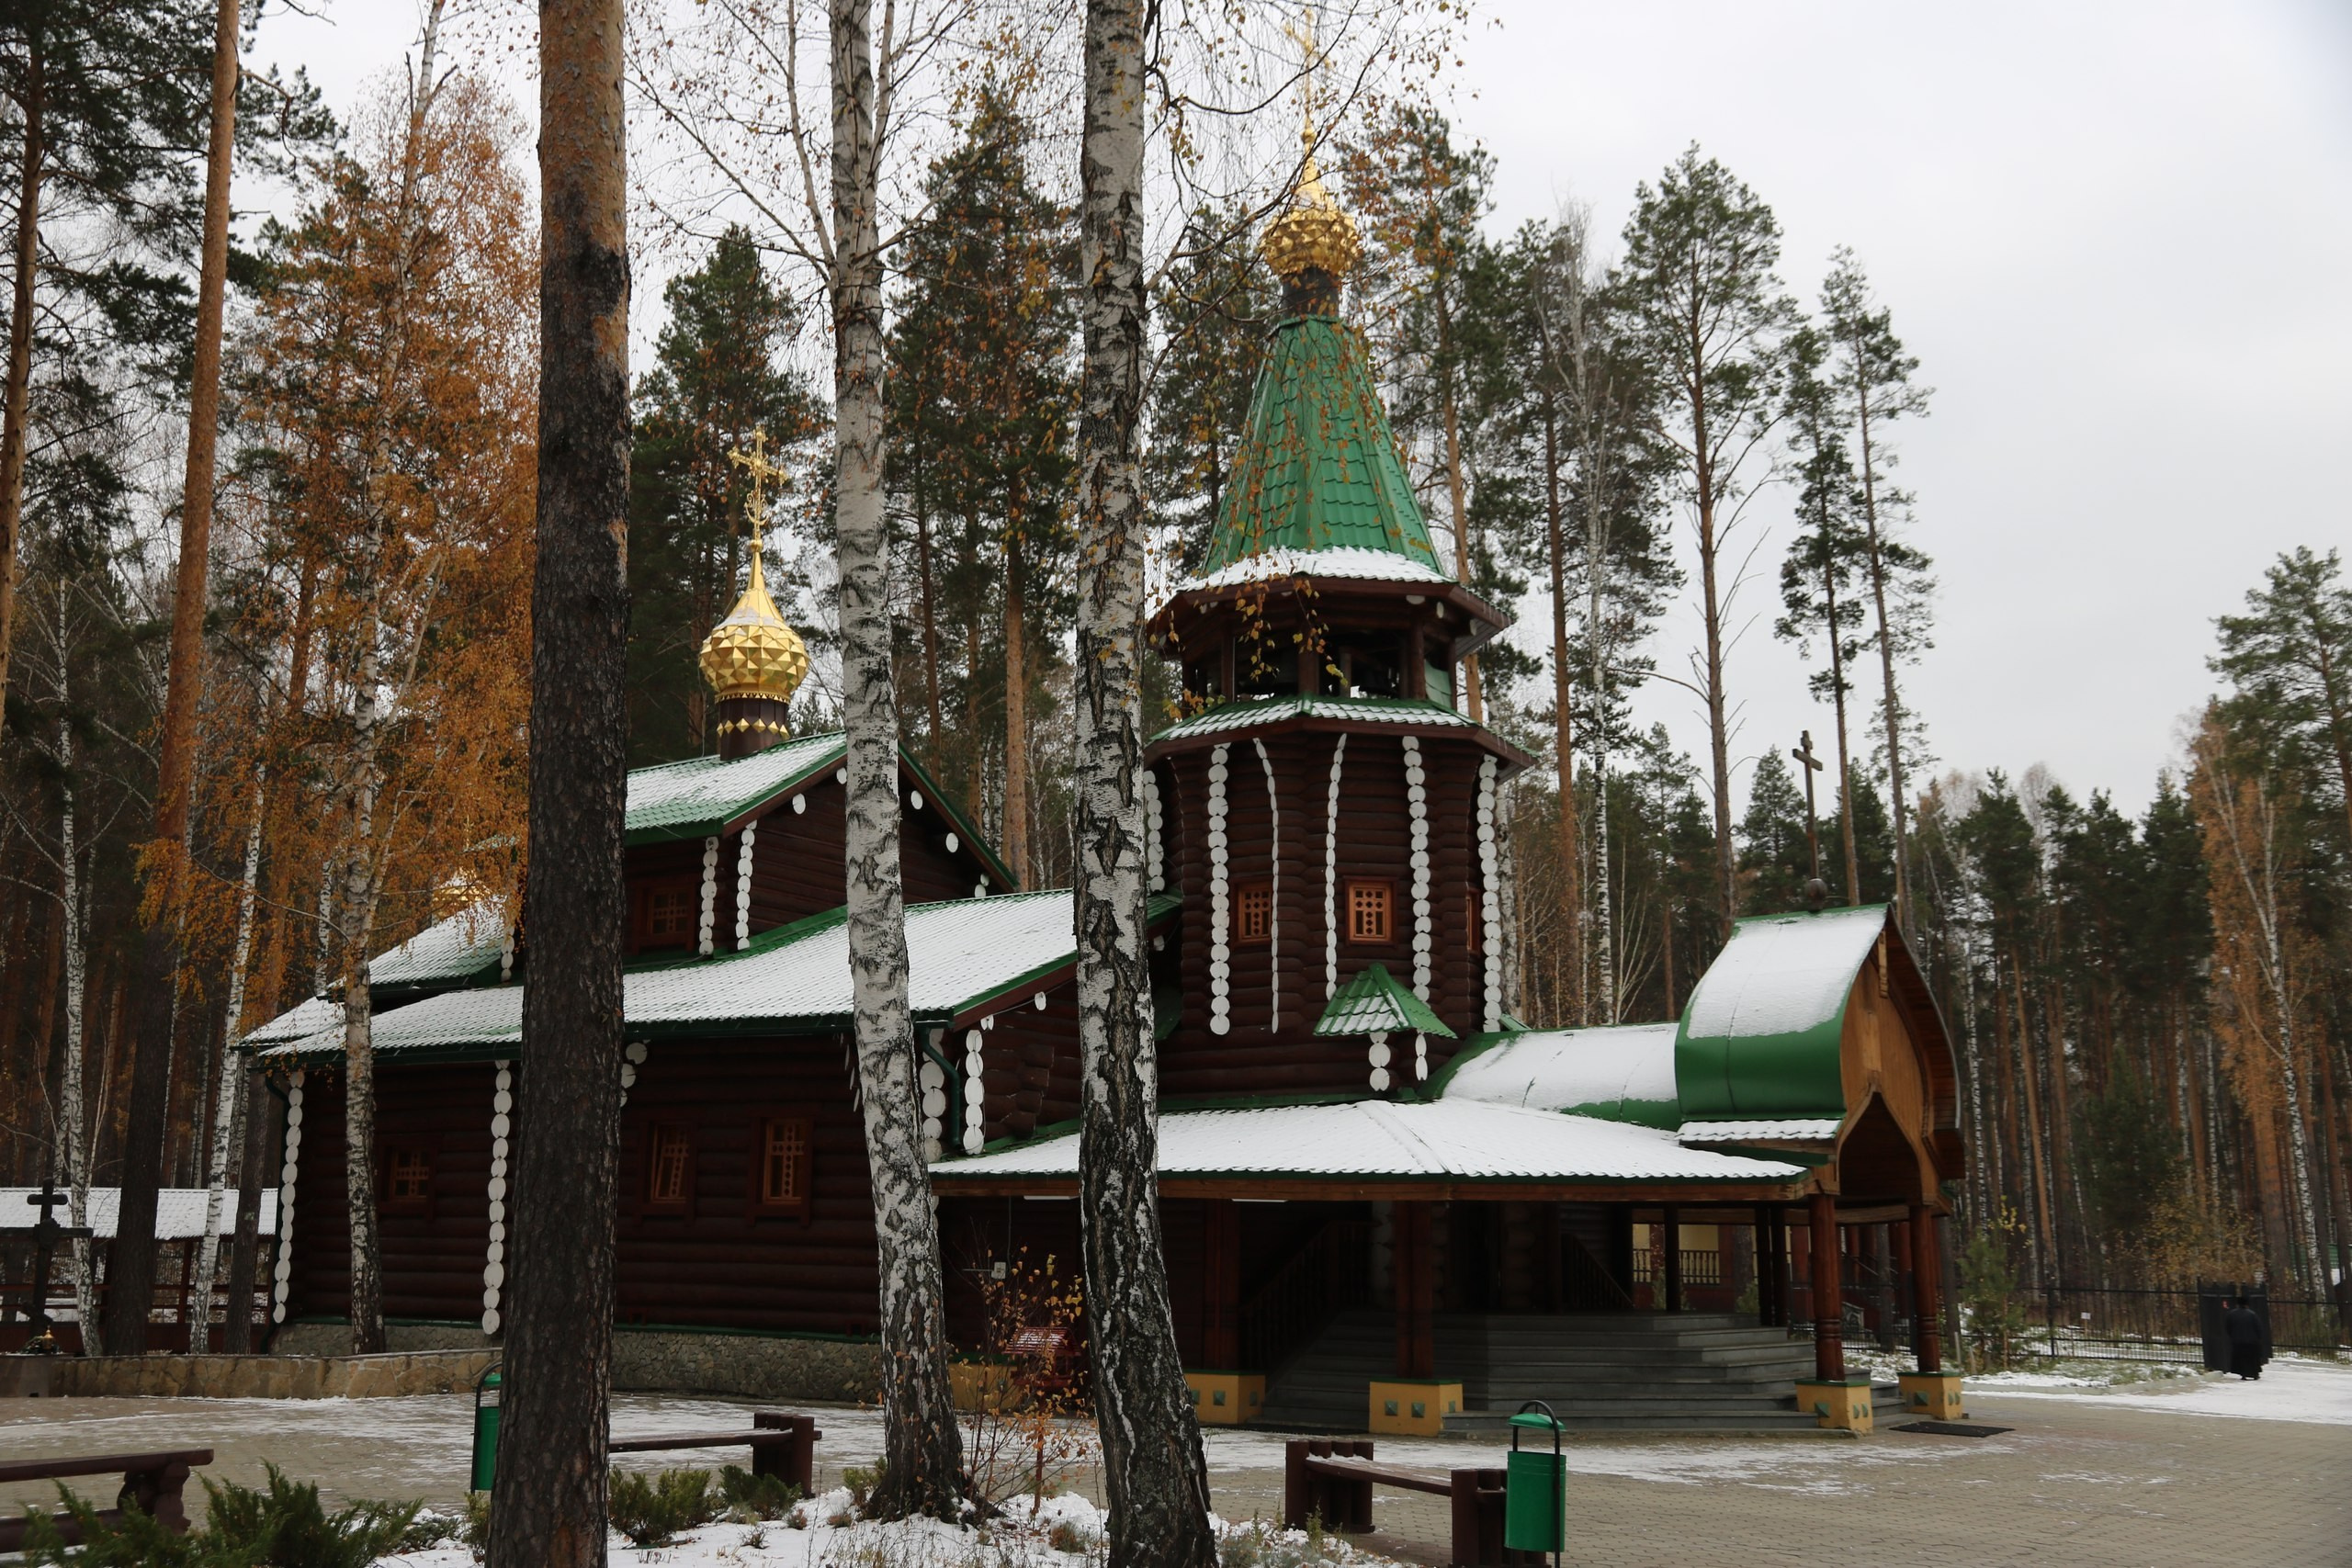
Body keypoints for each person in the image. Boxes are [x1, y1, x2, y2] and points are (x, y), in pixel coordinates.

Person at [2222, 1295, 2268, 1381]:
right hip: (2252, 1341)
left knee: (2240, 1358)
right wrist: (2259, 1338)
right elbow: (2258, 1327)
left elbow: (2228, 1327)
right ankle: (2254, 1373)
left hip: (2237, 1341)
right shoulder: (2252, 1314)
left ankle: (2243, 1373)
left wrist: (2232, 1336)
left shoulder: (2232, 1314)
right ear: (2247, 1304)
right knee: (2252, 1358)